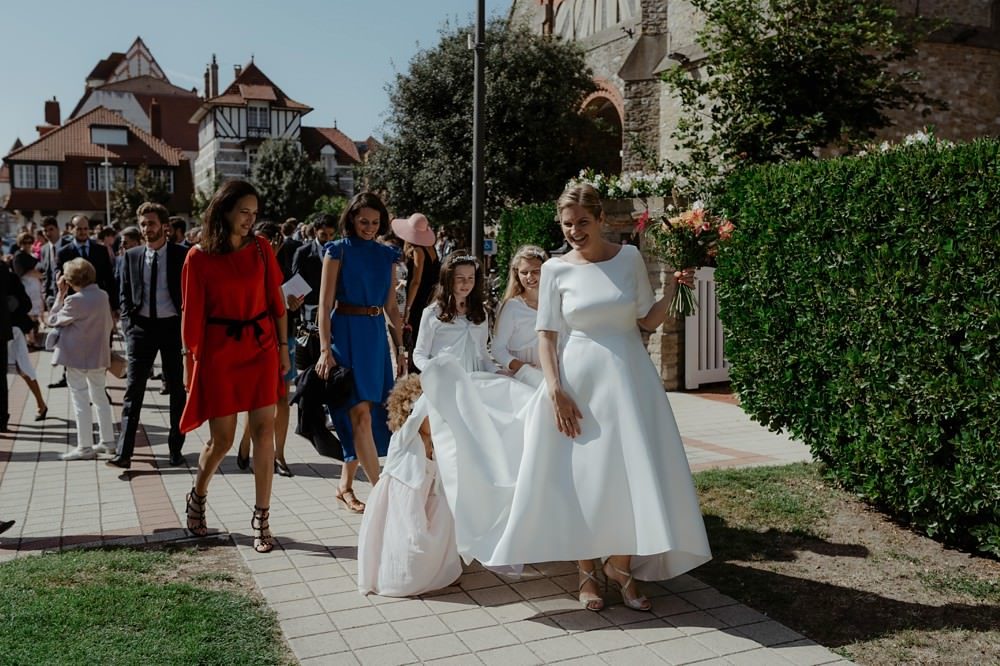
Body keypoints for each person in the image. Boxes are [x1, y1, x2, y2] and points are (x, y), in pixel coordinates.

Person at [418, 183, 712, 612]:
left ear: (602, 220)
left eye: (582, 222)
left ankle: (622, 566)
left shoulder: (629, 259)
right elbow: (546, 336)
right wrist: (554, 388)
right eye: (567, 223)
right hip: (576, 381)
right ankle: (587, 571)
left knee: (627, 472)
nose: (574, 230)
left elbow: (646, 320)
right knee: (581, 474)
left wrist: (673, 289)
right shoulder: (555, 269)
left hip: (629, 381)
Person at [358, 252, 498, 596]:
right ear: (448, 279)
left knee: (471, 464)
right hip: (442, 388)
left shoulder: (481, 315)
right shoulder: (432, 313)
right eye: (459, 277)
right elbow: (419, 354)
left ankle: (468, 539)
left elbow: (482, 355)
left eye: (470, 278)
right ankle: (427, 546)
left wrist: (498, 375)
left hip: (473, 389)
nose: (465, 284)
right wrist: (440, 368)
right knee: (437, 460)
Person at [180, 180, 289, 553]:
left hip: (261, 347)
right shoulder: (198, 257)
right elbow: (191, 314)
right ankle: (198, 492)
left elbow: (277, 301)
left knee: (264, 431)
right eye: (244, 211)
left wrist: (284, 347)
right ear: (224, 209)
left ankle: (262, 517)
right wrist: (188, 363)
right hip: (220, 352)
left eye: (254, 213)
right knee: (222, 440)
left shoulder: (261, 249)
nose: (250, 219)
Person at [315, 192, 405, 513]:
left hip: (375, 337)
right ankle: (382, 493)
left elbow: (392, 306)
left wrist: (401, 346)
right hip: (345, 335)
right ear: (351, 219)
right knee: (359, 415)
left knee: (367, 416)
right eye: (363, 221)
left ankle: (345, 487)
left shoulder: (387, 255)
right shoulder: (336, 250)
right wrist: (325, 350)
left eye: (375, 222)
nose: (369, 227)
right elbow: (324, 306)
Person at [110, 203, 191, 469]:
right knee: (133, 390)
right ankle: (124, 453)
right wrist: (128, 325)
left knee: (177, 391)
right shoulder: (130, 257)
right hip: (141, 329)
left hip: (172, 329)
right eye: (143, 224)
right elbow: (123, 294)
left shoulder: (182, 255)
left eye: (152, 223)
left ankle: (175, 448)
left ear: (165, 226)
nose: (147, 228)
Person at [234, 222, 304, 478]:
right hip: (256, 339)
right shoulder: (246, 265)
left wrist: (293, 304)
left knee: (282, 398)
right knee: (257, 398)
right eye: (261, 240)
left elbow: (292, 305)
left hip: (285, 338)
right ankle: (245, 442)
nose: (266, 245)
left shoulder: (286, 266)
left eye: (271, 241)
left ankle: (280, 455)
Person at [48, 258, 115, 461]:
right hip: (99, 355)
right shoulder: (102, 296)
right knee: (101, 398)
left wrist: (60, 295)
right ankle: (108, 441)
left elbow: (53, 319)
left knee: (80, 401)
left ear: (70, 280)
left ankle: (84, 446)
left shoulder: (74, 300)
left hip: (76, 357)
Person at [491, 245, 549, 388]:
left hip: (552, 375)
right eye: (524, 272)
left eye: (536, 271)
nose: (530, 277)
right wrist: (522, 367)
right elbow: (497, 348)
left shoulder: (555, 303)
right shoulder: (512, 306)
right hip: (523, 378)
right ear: (517, 274)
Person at [394, 213, 439, 373]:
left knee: (416, 337)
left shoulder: (418, 250)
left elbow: (417, 281)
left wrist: (408, 307)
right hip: (432, 297)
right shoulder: (431, 248)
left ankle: (416, 373)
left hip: (419, 299)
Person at [5, 266, 48, 421]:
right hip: (12, 328)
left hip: (13, 331)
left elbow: (25, 304)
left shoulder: (10, 278)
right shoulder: (11, 276)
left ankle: (41, 404)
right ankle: (41, 404)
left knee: (22, 367)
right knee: (22, 367)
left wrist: (11, 307)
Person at [56, 215, 119, 314]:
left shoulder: (101, 251)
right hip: (74, 306)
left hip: (98, 304)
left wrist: (114, 306)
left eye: (85, 228)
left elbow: (109, 279)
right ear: (71, 229)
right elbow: (61, 279)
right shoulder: (63, 253)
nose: (83, 232)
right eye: (79, 229)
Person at [12, 232, 45, 348]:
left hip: (35, 289)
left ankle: (32, 339)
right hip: (27, 289)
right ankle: (32, 340)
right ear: (20, 243)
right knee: (29, 315)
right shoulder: (18, 256)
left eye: (30, 242)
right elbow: (22, 273)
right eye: (24, 242)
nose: (27, 244)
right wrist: (41, 274)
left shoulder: (29, 255)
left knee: (35, 315)